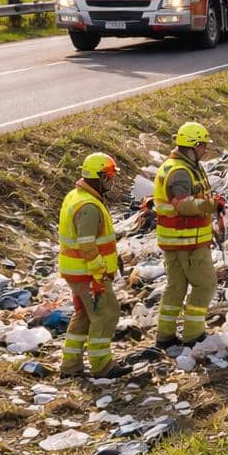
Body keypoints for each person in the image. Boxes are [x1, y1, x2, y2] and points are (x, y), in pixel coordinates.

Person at [57, 152, 126, 378]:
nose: (111, 182)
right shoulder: (89, 206)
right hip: (89, 274)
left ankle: (70, 365)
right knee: (106, 314)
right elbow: (87, 246)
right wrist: (100, 274)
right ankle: (102, 365)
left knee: (84, 316)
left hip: (76, 272)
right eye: (108, 177)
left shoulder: (75, 196)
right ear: (98, 177)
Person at [153, 121, 222, 348]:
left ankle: (165, 336)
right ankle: (194, 334)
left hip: (176, 240)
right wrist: (210, 206)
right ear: (192, 146)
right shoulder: (181, 172)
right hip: (187, 241)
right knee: (206, 285)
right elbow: (182, 205)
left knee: (176, 288)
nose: (205, 149)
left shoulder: (180, 165)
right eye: (203, 145)